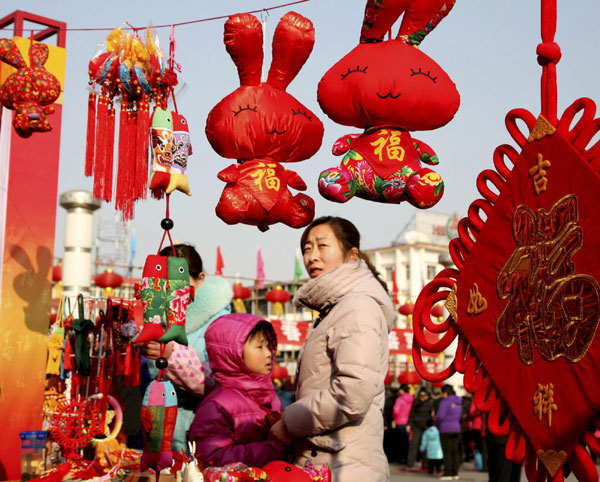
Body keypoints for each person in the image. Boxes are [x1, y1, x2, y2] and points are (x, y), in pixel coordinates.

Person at [269, 216, 394, 481]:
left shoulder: (358, 307)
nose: (312, 256)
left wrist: (290, 423)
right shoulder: (335, 309)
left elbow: (352, 394)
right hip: (324, 459)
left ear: (351, 255)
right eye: (306, 248)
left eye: (322, 245)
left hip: (345, 466)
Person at [139, 243, 233, 453]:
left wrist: (173, 356)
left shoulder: (222, 324)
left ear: (200, 279)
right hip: (155, 436)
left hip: (199, 435)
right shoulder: (156, 322)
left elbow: (223, 384)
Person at [188, 313, 286, 466]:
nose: (268, 353)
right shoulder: (217, 405)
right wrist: (275, 450)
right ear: (233, 354)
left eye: (268, 345)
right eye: (260, 347)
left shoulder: (270, 397)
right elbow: (210, 458)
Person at [436, 384, 463, 480]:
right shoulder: (459, 402)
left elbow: (440, 416)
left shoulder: (445, 402)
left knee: (447, 452)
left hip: (446, 429)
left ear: (445, 393)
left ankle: (447, 473)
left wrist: (437, 424)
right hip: (456, 428)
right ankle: (455, 473)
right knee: (455, 452)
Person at [406, 388, 434, 469]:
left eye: (424, 396)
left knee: (425, 446)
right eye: (421, 396)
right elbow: (411, 413)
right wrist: (409, 424)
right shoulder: (416, 402)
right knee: (414, 445)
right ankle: (410, 463)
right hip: (416, 426)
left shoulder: (430, 403)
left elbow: (432, 416)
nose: (422, 397)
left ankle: (425, 464)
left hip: (426, 426)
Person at [393, 384, 414, 464]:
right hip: (409, 422)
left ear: (401, 390)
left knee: (400, 441)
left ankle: (401, 458)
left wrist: (395, 418)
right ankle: (408, 458)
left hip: (400, 422)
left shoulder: (400, 399)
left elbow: (396, 410)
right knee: (408, 441)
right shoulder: (412, 399)